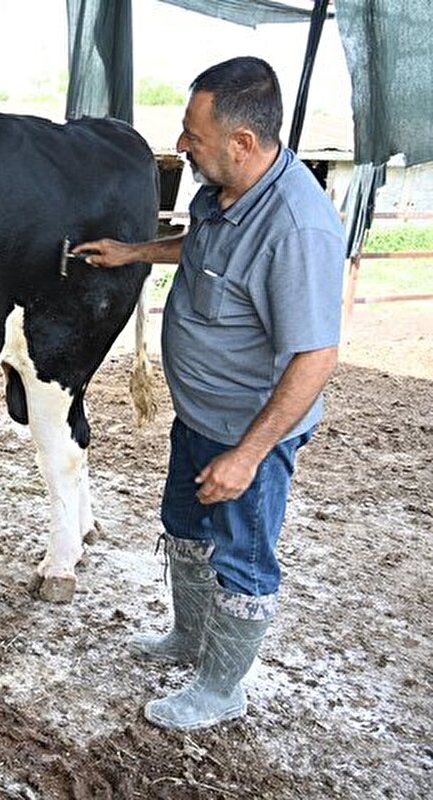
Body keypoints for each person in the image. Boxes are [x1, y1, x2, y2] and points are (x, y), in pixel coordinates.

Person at [73, 56, 343, 731]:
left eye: (193, 134)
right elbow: (200, 249)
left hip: (249, 432)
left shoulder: (296, 227)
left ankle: (222, 687)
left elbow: (316, 356)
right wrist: (135, 252)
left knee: (242, 556)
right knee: (187, 531)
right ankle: (189, 641)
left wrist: (249, 456)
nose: (182, 145)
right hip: (200, 417)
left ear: (242, 142)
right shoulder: (223, 193)